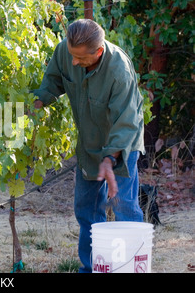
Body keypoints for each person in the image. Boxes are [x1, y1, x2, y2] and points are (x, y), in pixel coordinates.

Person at [31, 19, 145, 273]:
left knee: (123, 206)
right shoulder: (66, 51)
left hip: (121, 146)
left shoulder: (119, 72)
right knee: (86, 210)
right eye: (71, 55)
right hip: (89, 144)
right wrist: (35, 104)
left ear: (99, 52)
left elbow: (126, 123)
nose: (73, 62)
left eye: (80, 59)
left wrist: (109, 159)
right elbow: (53, 82)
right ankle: (94, 267)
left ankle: (131, 267)